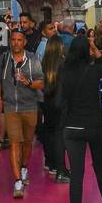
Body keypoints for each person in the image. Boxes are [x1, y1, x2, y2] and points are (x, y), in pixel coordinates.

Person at [58, 33, 102, 203]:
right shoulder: (94, 71)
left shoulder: (63, 71)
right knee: (100, 170)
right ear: (87, 52)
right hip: (95, 126)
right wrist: (95, 48)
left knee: (76, 175)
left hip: (72, 127)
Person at [0, 29, 44, 198]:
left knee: (27, 142)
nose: (16, 43)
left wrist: (28, 82)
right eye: (13, 40)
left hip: (30, 106)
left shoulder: (32, 59)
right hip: (11, 108)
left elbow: (41, 83)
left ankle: (24, 168)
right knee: (15, 142)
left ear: (24, 42)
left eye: (19, 40)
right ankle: (17, 181)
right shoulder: (4, 59)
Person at [37, 34, 67, 178]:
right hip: (60, 102)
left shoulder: (45, 63)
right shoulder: (62, 63)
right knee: (59, 135)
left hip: (47, 102)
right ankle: (60, 166)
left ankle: (50, 162)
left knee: (49, 132)